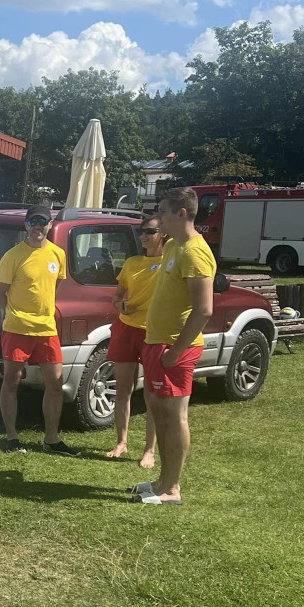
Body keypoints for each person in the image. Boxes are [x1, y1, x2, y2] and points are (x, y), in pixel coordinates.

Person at [132, 187, 216, 504]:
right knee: (160, 414)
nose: (159, 217)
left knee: (174, 415)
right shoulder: (173, 247)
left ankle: (171, 488)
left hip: (174, 348)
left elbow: (204, 309)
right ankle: (162, 482)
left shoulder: (195, 252)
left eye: (164, 211)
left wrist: (175, 352)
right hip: (158, 343)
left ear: (181, 214)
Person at [0, 204, 78, 456]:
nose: (38, 226)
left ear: (50, 225)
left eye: (42, 221)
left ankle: (51, 439)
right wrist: (15, 313)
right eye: (33, 222)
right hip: (16, 329)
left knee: (55, 383)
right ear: (26, 225)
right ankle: (11, 437)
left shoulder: (58, 254)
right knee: (11, 381)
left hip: (46, 330)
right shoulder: (12, 256)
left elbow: (55, 287)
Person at [107, 214, 163, 468]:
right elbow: (117, 296)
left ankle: (149, 450)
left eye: (150, 231)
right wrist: (121, 306)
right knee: (122, 389)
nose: (144, 235)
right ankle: (121, 441)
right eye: (142, 231)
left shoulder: (171, 263)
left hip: (155, 332)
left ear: (163, 233)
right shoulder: (132, 262)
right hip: (126, 328)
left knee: (153, 393)